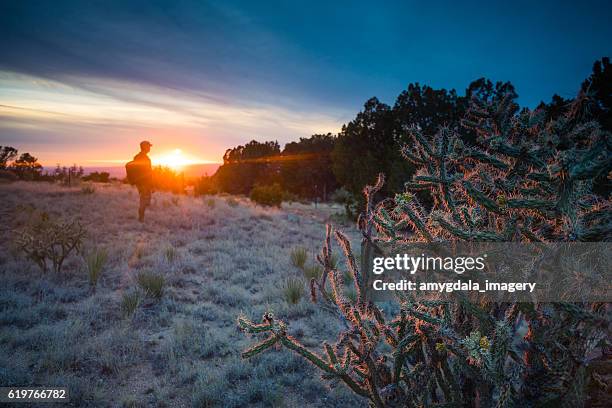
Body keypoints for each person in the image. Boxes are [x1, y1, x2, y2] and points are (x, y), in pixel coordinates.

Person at [133, 141, 153, 222]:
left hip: (140, 182)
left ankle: (141, 217)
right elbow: (148, 172)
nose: (150, 148)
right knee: (144, 200)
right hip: (144, 183)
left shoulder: (136, 157)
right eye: (149, 146)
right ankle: (141, 219)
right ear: (145, 147)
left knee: (145, 200)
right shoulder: (145, 158)